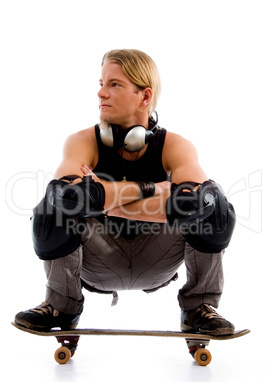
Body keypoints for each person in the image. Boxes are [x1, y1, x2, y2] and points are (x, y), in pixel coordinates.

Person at [15, 49, 236, 336]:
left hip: (158, 255)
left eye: (114, 84)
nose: (100, 94)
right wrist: (152, 189)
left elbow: (195, 206)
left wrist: (103, 197)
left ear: (145, 97)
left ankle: (199, 307)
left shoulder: (176, 146)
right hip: (98, 257)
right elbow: (68, 199)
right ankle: (62, 305)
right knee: (53, 203)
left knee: (213, 203)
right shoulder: (83, 141)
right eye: (101, 83)